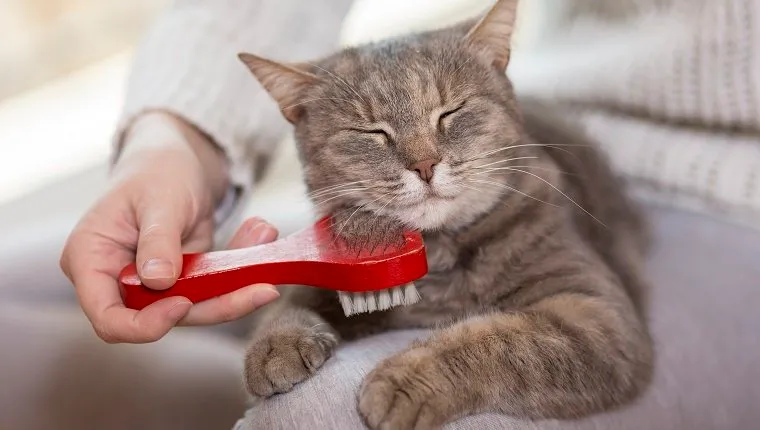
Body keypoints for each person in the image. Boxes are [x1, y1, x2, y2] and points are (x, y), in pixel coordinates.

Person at [4, 0, 759, 429]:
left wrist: (456, 369)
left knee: (323, 415)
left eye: (450, 119)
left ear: (497, 77)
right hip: (553, 101)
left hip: (725, 198)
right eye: (374, 137)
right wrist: (170, 140)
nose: (425, 162)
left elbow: (607, 345)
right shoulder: (371, 179)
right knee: (21, 279)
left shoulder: (534, 192)